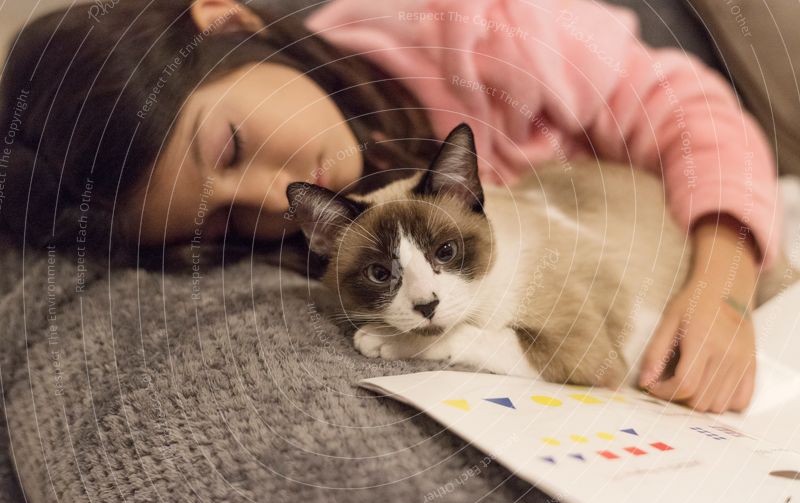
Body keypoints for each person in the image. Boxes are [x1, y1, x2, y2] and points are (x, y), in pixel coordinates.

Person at [0, 0, 782, 414]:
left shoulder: (453, 22)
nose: (269, 201)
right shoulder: (305, 257)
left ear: (226, 18)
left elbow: (679, 104)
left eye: (230, 147)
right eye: (223, 220)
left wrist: (723, 281)